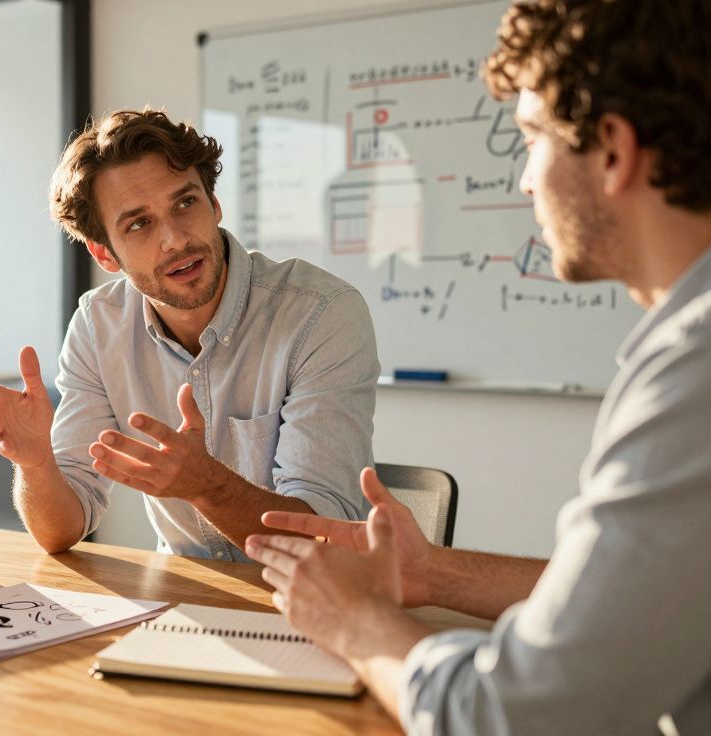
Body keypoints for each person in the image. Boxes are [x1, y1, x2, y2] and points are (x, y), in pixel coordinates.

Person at [244, 1, 711, 732]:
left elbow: (514, 718)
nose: (526, 182)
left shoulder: (696, 371)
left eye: (532, 138)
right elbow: (638, 602)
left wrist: (355, 622)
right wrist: (428, 574)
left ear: (613, 150)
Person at [0, 109, 380, 561]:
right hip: (186, 601)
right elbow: (59, 531)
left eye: (185, 203)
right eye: (139, 223)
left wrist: (207, 486)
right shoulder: (98, 325)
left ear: (214, 205)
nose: (175, 240)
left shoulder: (321, 314)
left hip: (322, 600)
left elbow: (321, 537)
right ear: (104, 253)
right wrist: (37, 463)